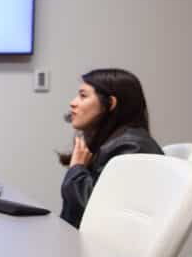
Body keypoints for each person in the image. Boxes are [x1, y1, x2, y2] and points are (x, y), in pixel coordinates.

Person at [59, 68, 163, 228]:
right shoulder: (116, 143)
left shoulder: (132, 147)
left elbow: (95, 210)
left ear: (111, 103)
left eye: (83, 96)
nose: (73, 103)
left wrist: (77, 169)